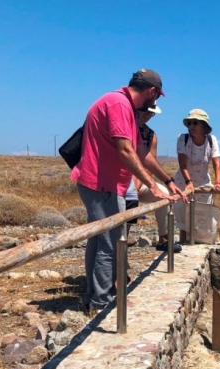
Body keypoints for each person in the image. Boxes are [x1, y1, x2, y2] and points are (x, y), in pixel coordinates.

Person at [71, 68, 180, 311]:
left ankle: (93, 296)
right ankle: (103, 301)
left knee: (99, 241)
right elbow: (125, 150)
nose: (155, 102)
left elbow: (142, 151)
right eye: (156, 97)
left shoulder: (124, 106)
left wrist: (168, 180)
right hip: (102, 184)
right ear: (151, 91)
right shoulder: (119, 104)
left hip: (105, 183)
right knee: (110, 243)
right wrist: (152, 185)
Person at [125, 105, 182, 252]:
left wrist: (139, 184)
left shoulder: (150, 135)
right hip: (120, 177)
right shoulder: (125, 126)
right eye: (145, 111)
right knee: (129, 201)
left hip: (140, 179)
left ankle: (164, 237)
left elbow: (149, 163)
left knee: (164, 195)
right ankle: (122, 241)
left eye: (151, 113)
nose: (148, 115)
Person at [174, 109, 220, 243]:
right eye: (189, 123)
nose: (191, 126)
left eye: (195, 123)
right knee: (184, 219)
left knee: (202, 217)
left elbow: (217, 164)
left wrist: (218, 182)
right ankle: (184, 245)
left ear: (203, 126)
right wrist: (189, 182)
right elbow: (182, 164)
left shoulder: (211, 141)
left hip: (203, 183)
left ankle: (199, 243)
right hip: (184, 182)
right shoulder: (183, 139)